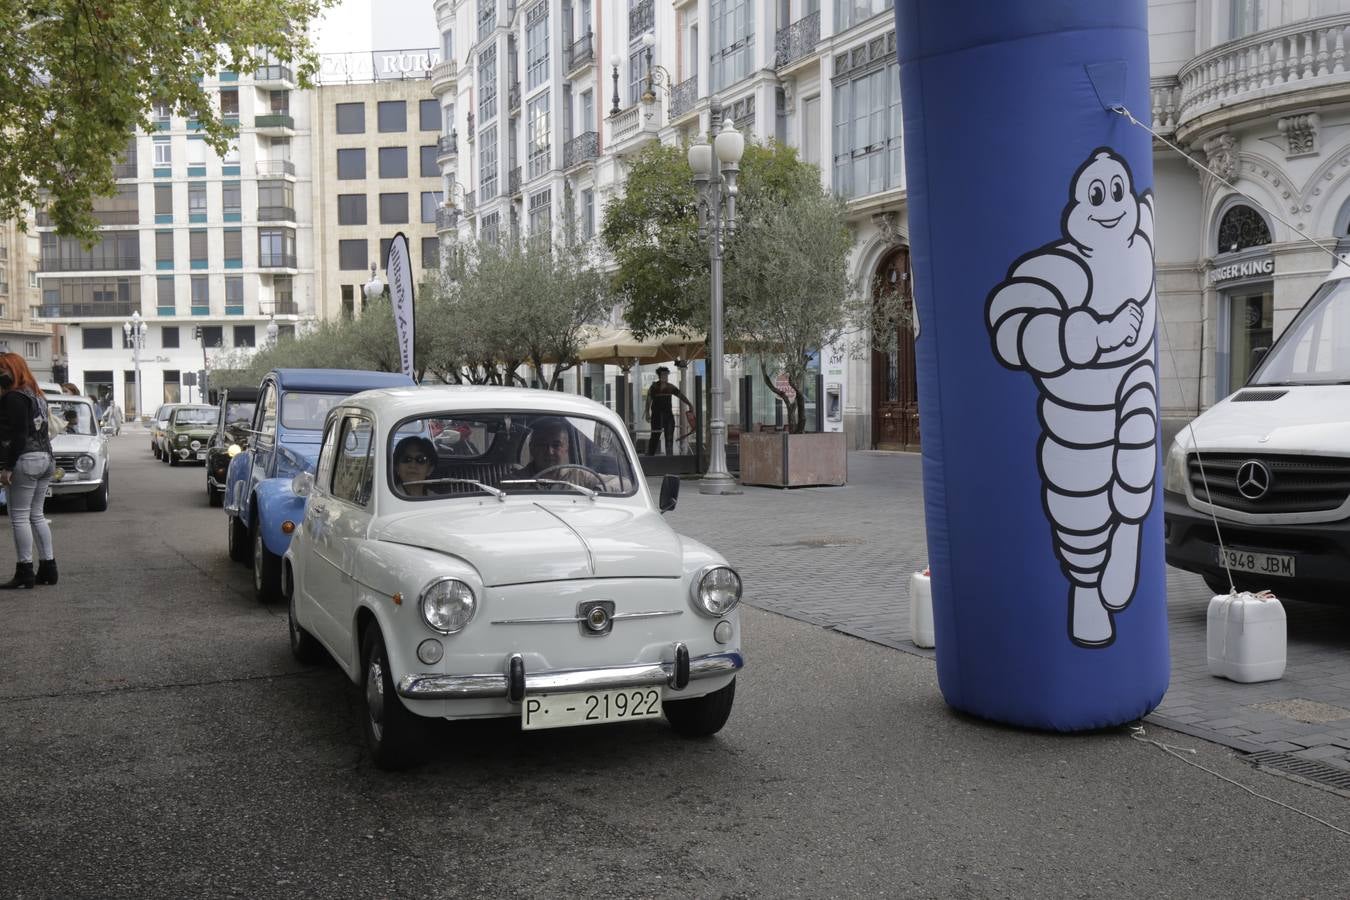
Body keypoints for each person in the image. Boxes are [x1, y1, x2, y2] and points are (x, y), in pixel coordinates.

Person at [0, 352, 56, 589]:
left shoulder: (13, 397)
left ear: (10, 370)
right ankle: (48, 567)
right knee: (36, 515)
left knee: (19, 517)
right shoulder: (36, 395)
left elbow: (18, 435)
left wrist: (7, 467)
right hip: (45, 458)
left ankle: (25, 570)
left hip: (25, 459)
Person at [643, 366, 692, 456]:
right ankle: (650, 456)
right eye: (663, 374)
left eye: (666, 374)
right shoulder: (654, 387)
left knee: (669, 438)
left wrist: (689, 404)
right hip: (656, 416)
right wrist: (647, 413)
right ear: (659, 375)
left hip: (668, 416)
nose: (665, 376)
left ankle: (669, 458)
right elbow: (648, 400)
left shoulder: (670, 387)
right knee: (654, 437)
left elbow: (681, 396)